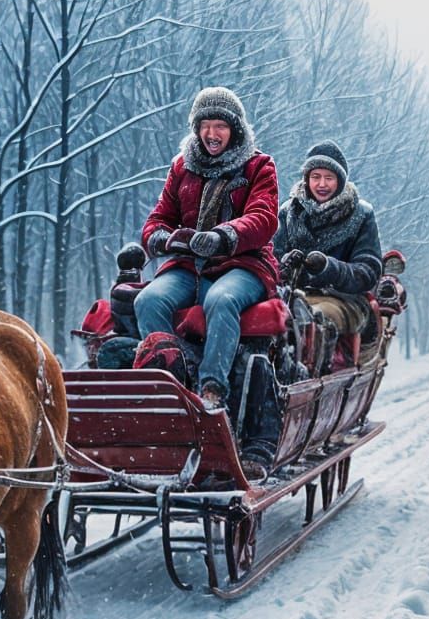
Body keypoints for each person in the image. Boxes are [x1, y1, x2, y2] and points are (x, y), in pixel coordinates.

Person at [136, 86, 280, 411]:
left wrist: (224, 236)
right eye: (205, 125)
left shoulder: (259, 166)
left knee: (221, 299)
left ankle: (212, 390)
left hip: (244, 264)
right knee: (148, 300)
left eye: (220, 126)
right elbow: (159, 218)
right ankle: (170, 382)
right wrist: (160, 238)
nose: (211, 134)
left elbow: (263, 217)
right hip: (189, 266)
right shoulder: (181, 167)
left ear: (235, 129)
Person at [272, 140, 382, 353]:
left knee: (315, 319)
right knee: (267, 319)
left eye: (329, 178)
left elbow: (369, 272)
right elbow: (271, 259)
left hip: (344, 299)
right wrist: (286, 266)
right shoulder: (288, 213)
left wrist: (328, 268)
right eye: (316, 177)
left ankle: (313, 369)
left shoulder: (361, 215)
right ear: (307, 179)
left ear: (340, 180)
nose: (322, 184)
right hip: (291, 297)